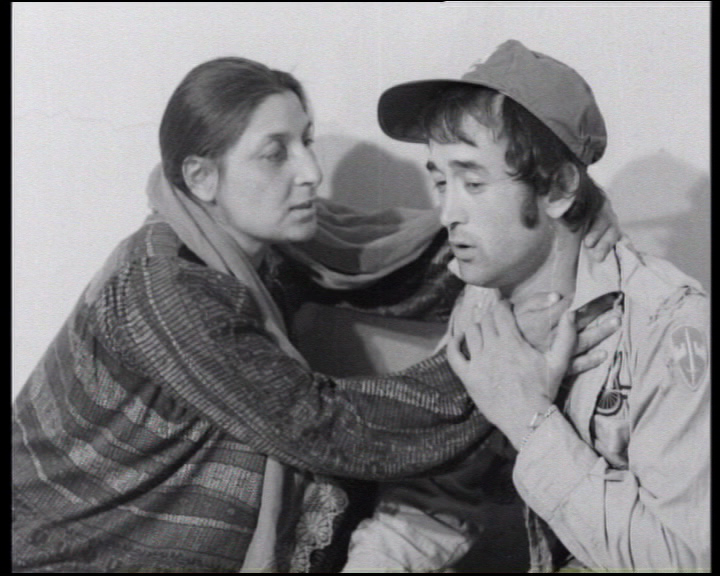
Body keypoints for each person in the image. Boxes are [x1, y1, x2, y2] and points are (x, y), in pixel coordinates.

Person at [12, 55, 620, 573]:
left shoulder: (259, 248)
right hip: (69, 550)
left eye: (305, 140)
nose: (310, 171)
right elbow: (325, 428)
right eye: (275, 154)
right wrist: (500, 359)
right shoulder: (164, 287)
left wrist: (563, 215)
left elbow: (418, 272)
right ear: (201, 177)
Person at [345, 40, 709, 572]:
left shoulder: (668, 326)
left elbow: (683, 560)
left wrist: (529, 420)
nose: (447, 213)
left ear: (558, 189)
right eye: (441, 181)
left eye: (473, 182)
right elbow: (440, 496)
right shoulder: (482, 305)